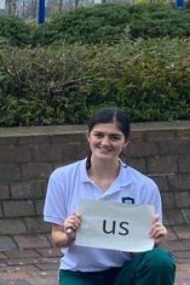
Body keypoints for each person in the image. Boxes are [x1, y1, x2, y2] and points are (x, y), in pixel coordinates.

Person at [43, 108, 175, 285]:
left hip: (125, 270)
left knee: (160, 260)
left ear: (125, 142)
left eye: (114, 137)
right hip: (79, 273)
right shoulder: (62, 178)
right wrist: (70, 235)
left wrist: (155, 239)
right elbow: (57, 238)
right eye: (99, 135)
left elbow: (144, 244)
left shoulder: (144, 186)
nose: (105, 143)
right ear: (88, 136)